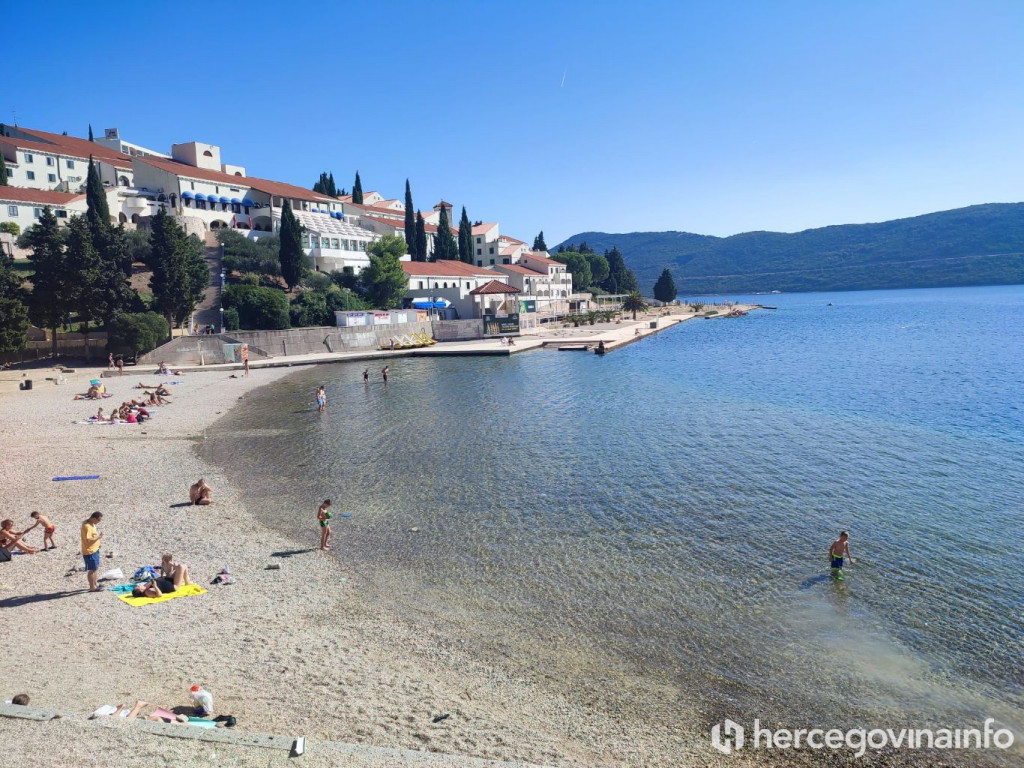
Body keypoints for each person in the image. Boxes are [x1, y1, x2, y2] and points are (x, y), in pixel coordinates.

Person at [81, 512, 103, 591]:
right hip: (89, 552)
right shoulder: (87, 526)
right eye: (98, 520)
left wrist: (98, 544)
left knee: (95, 568)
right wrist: (99, 537)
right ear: (94, 518)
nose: (98, 522)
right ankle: (92, 587)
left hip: (95, 549)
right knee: (92, 570)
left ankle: (95, 584)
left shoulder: (91, 524)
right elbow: (88, 540)